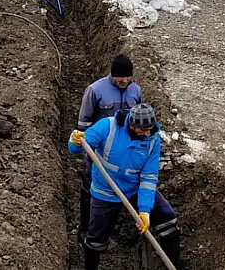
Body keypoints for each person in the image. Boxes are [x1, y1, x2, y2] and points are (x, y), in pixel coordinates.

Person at [69, 103, 181, 270]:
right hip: (105, 191)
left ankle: (174, 263)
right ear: (131, 124)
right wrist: (75, 140)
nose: (146, 133)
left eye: (149, 129)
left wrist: (144, 210)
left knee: (168, 218)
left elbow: (149, 177)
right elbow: (77, 147)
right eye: (142, 130)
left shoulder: (152, 139)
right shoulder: (107, 127)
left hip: (134, 188)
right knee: (95, 240)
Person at [76, 54, 143, 242]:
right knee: (90, 187)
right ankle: (85, 226)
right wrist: (89, 149)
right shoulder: (95, 90)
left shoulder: (135, 91)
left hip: (124, 153)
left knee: (118, 188)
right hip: (98, 152)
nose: (124, 80)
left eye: (127, 77)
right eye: (120, 77)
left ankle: (110, 223)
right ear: (112, 74)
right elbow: (83, 123)